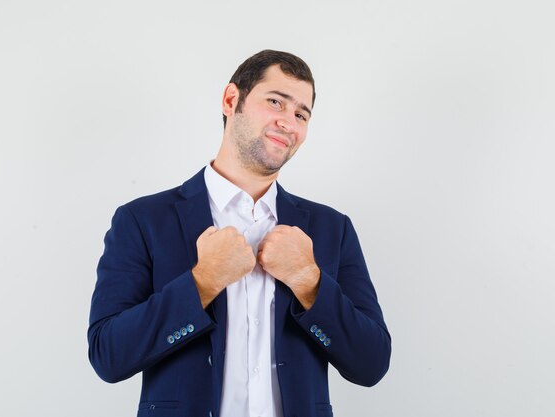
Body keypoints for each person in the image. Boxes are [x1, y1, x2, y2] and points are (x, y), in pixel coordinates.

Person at [88, 49, 391, 417]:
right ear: (232, 100)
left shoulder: (332, 228)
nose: (288, 122)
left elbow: (371, 364)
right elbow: (108, 355)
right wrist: (201, 283)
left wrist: (309, 282)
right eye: (276, 102)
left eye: (301, 114)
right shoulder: (142, 220)